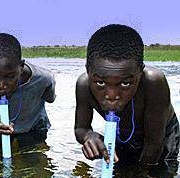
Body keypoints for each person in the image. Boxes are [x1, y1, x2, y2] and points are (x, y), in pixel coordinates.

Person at [74, 24, 179, 168]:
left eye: (125, 84)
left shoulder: (153, 83)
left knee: (158, 175)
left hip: (160, 136)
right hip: (120, 134)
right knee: (120, 173)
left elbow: (153, 144)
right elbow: (81, 128)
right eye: (100, 83)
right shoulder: (84, 85)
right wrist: (89, 136)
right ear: (88, 70)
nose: (112, 95)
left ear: (140, 72)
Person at [0, 33, 56, 144]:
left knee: (34, 157)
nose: (1, 85)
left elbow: (50, 99)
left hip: (35, 129)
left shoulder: (43, 79)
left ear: (21, 66)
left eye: (10, 76)